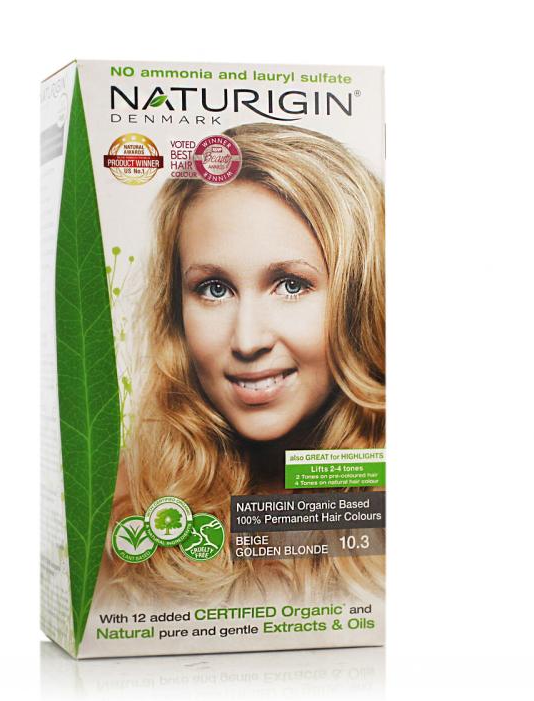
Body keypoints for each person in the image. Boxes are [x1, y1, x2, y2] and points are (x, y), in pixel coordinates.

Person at [101, 122, 385, 605]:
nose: (248, 340)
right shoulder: (129, 506)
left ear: (360, 298)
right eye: (214, 289)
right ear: (176, 310)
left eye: (291, 285)